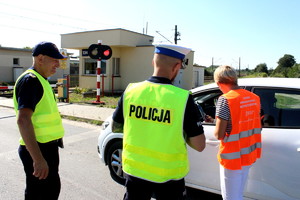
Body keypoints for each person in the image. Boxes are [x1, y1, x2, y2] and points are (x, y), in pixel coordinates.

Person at [112, 44, 206, 200]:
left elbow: (116, 128)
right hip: (168, 176)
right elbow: (199, 145)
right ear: (176, 66)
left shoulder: (130, 91)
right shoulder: (183, 98)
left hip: (135, 171)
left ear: (153, 62)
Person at [13, 41, 67, 200]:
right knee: (40, 195)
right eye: (55, 59)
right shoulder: (31, 80)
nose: (58, 64)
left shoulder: (40, 79)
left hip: (45, 148)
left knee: (49, 191)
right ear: (41, 58)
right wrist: (38, 159)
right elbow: (23, 120)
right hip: (38, 150)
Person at [213, 65, 262, 200]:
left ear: (218, 83)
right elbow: (248, 122)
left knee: (231, 197)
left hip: (232, 157)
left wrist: (216, 122)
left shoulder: (225, 99)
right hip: (248, 154)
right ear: (235, 79)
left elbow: (219, 134)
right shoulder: (254, 98)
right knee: (238, 194)